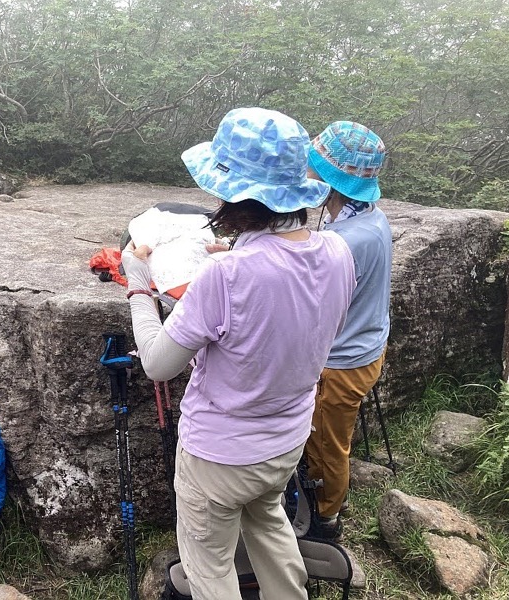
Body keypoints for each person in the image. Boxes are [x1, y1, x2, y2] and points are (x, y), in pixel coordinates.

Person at [121, 107, 356, 600]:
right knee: (270, 523)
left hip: (219, 456)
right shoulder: (338, 252)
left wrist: (139, 289)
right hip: (286, 439)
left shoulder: (224, 277)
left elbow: (158, 364)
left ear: (237, 192)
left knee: (209, 569)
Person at [302, 121, 392, 539]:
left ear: (330, 182)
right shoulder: (371, 220)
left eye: (313, 170)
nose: (307, 176)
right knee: (332, 440)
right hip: (369, 345)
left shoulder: (342, 241)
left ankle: (325, 519)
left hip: (340, 365)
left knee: (327, 446)